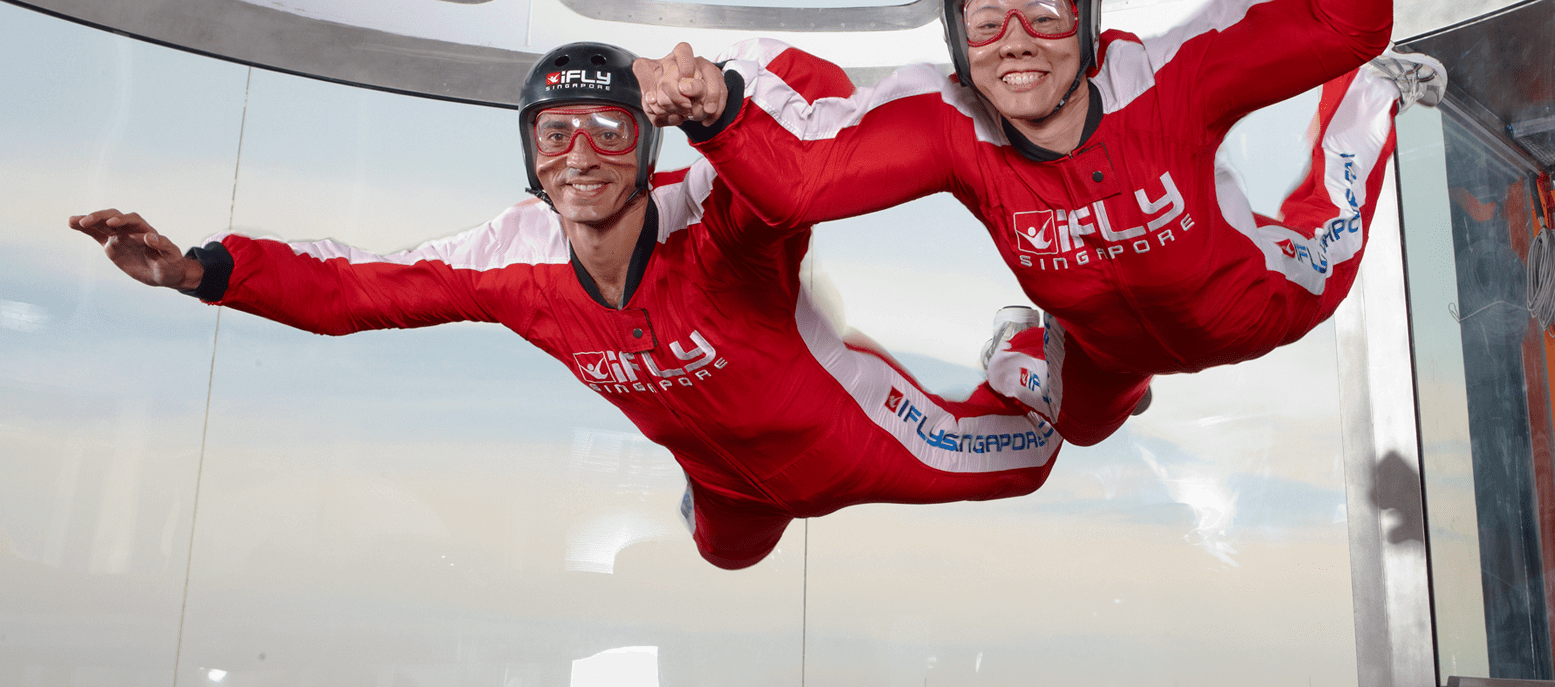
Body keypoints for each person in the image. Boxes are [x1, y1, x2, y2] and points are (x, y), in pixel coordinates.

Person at [638, 0, 1442, 446]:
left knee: (1333, 227)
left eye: (1045, 15)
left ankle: (1370, 95)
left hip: (1253, 303)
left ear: (1087, 29)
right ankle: (1035, 344)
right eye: (987, 24)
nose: (1016, 42)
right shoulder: (954, 129)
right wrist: (716, 110)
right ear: (960, 50)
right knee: (1083, 429)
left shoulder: (1169, 80)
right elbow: (803, 184)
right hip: (1101, 346)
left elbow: (1345, 22)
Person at [69, 43, 1060, 571]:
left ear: (649, 146)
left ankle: (1033, 337)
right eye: (554, 134)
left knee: (1029, 464)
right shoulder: (517, 257)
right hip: (725, 480)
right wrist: (198, 271)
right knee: (727, 557)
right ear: (529, 159)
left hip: (856, 439)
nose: (579, 153)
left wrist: (724, 101)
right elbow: (355, 286)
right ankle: (717, 495)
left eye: (606, 130)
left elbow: (812, 101)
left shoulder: (713, 214)